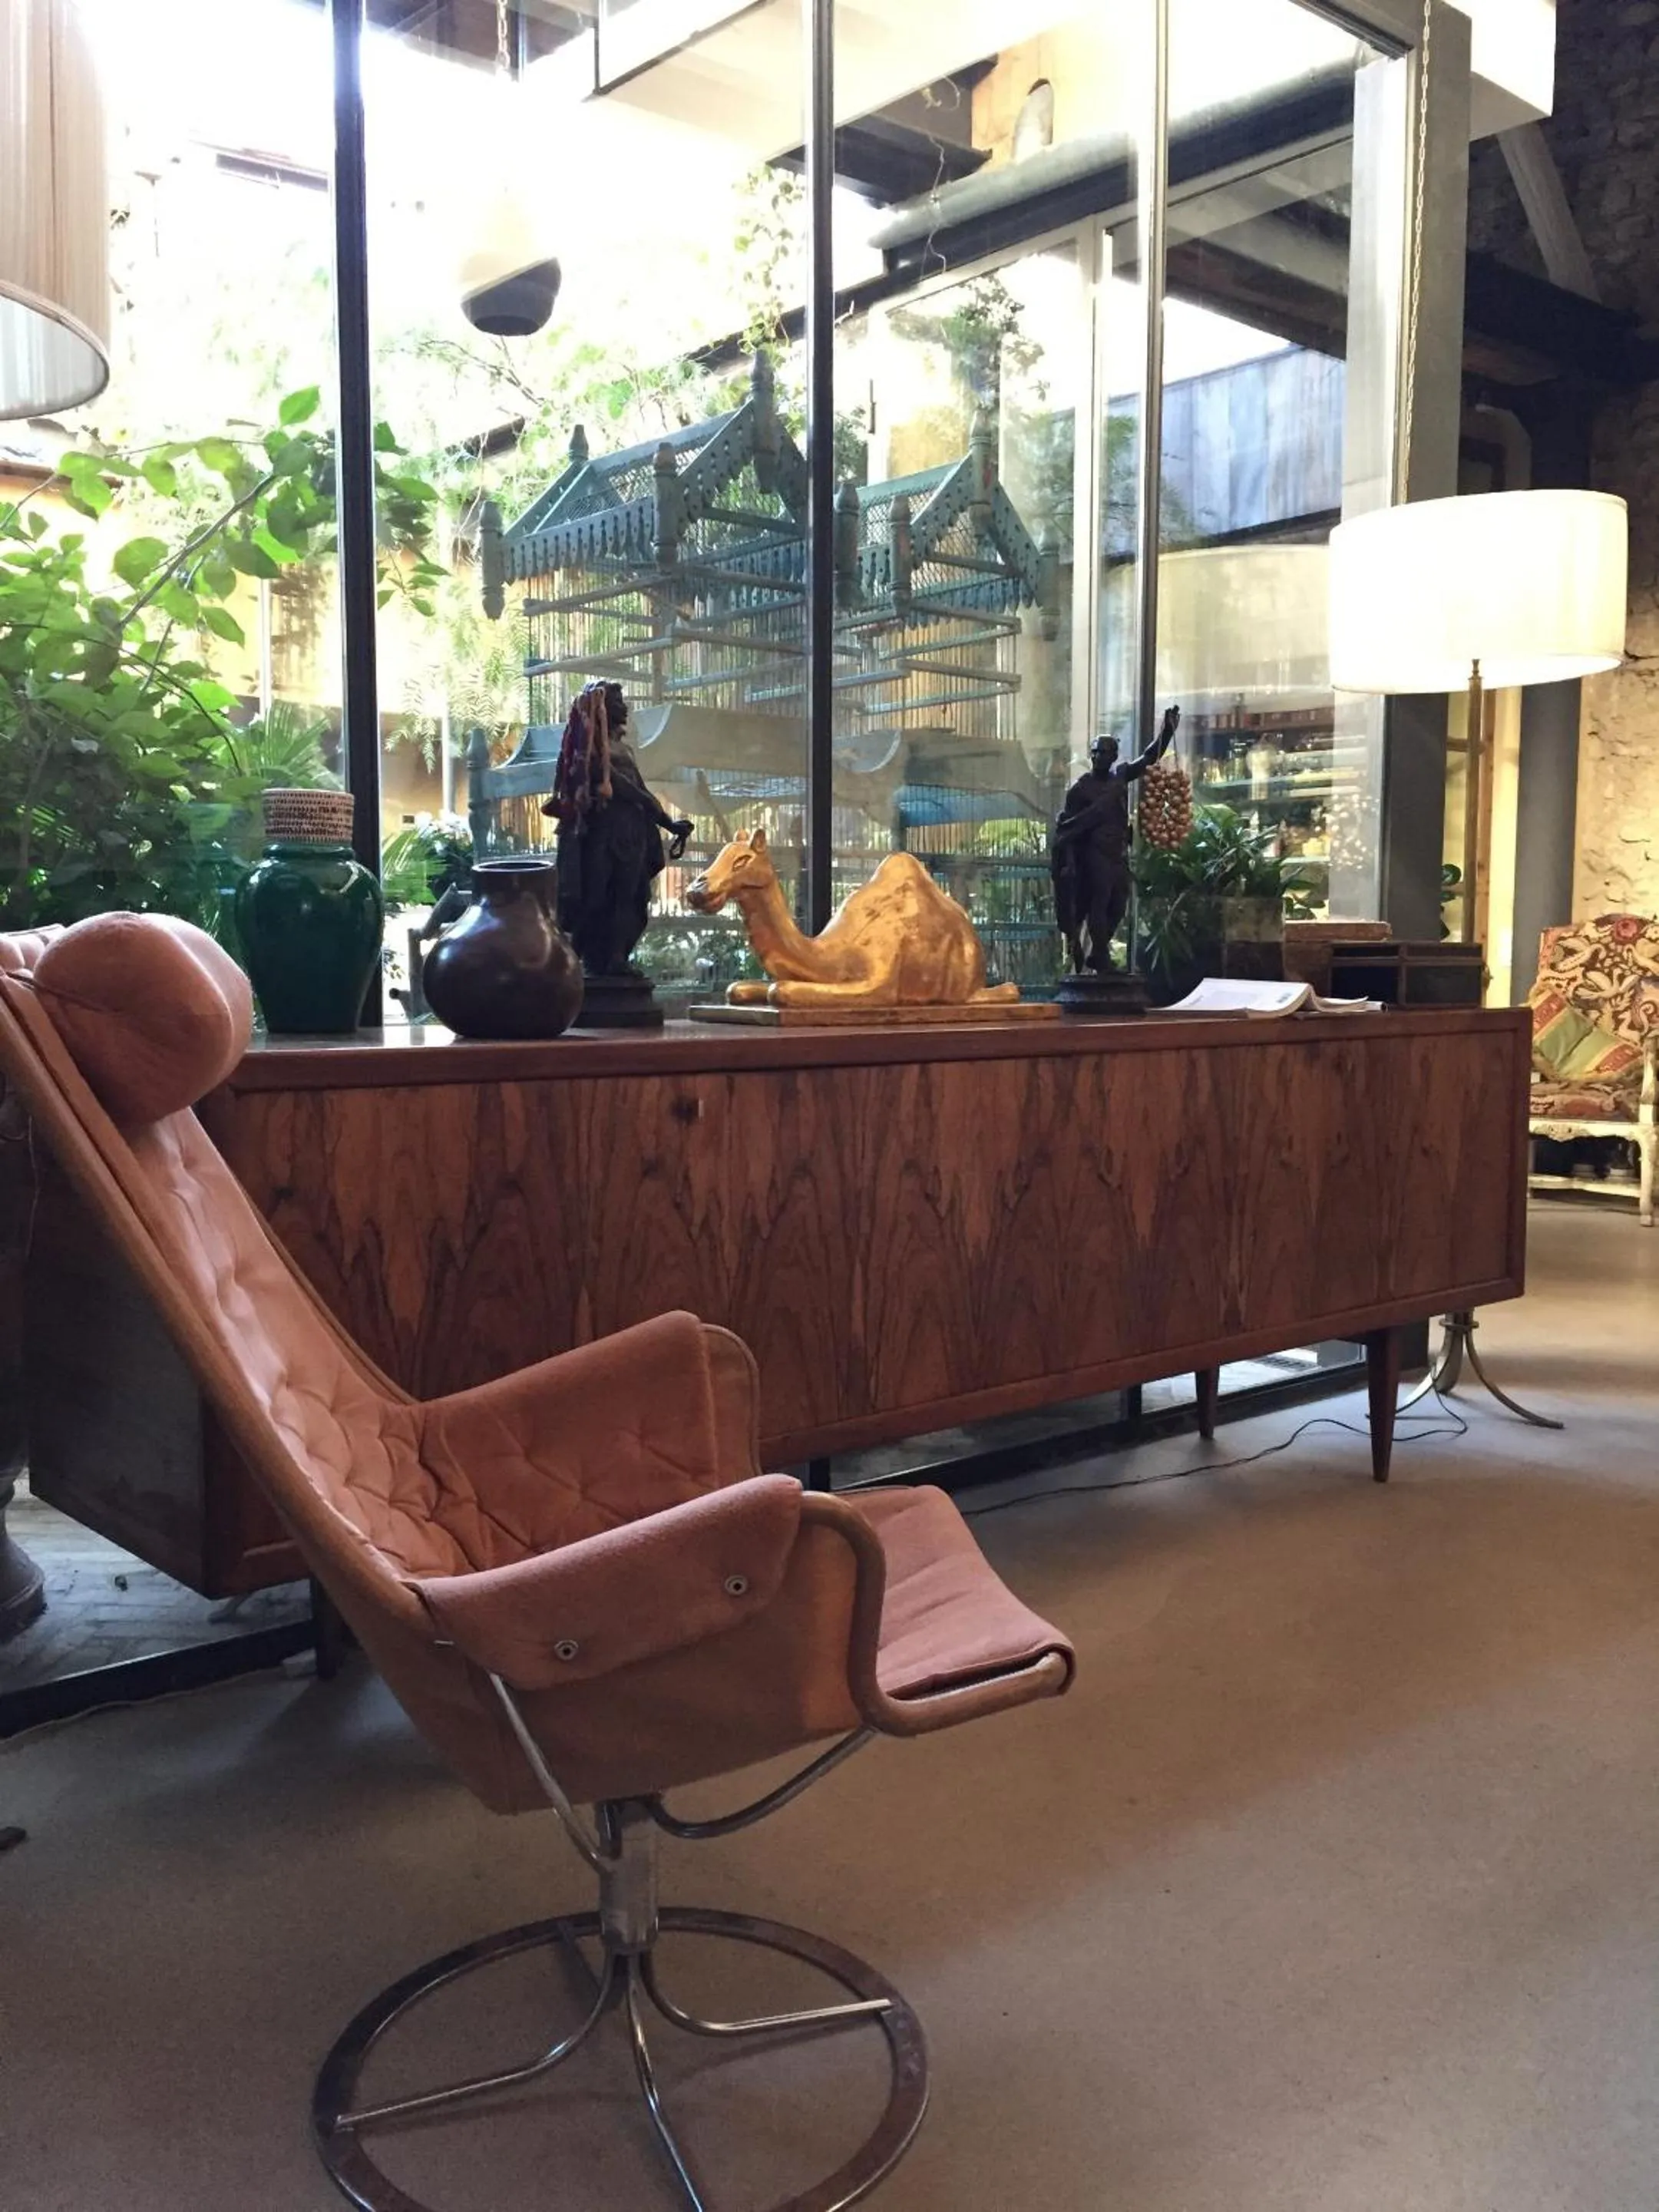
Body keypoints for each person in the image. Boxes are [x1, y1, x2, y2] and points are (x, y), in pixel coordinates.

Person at [544, 682, 693, 977]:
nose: (624, 708)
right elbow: (626, 790)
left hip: (631, 833)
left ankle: (615, 959)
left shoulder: (623, 748)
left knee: (631, 896)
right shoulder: (594, 748)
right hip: (603, 833)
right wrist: (666, 820)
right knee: (595, 896)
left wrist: (666, 822)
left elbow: (638, 788)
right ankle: (577, 958)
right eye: (618, 701)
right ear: (600, 707)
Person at [1050, 704, 1181, 974]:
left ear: (1114, 756)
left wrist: (1167, 731)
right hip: (1094, 855)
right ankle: (1101, 958)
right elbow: (1070, 830)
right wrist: (1070, 864)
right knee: (1099, 901)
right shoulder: (1080, 789)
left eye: (1104, 752)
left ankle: (1099, 954)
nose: (1099, 756)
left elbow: (1148, 758)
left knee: (1119, 904)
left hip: (1118, 853)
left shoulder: (1119, 777)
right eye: (1095, 752)